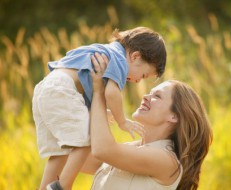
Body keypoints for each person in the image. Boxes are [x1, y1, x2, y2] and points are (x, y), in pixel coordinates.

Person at [32, 26, 167, 190]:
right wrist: (122, 121)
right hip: (62, 90)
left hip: (46, 89)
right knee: (87, 139)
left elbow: (82, 82)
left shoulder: (106, 51)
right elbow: (111, 93)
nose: (139, 81)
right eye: (144, 75)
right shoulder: (119, 60)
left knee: (60, 152)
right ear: (135, 56)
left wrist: (102, 112)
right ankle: (63, 186)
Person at [80, 53, 213, 190]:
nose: (145, 97)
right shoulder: (130, 149)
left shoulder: (167, 161)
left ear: (174, 116)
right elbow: (75, 157)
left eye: (157, 96)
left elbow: (103, 150)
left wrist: (99, 92)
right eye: (149, 93)